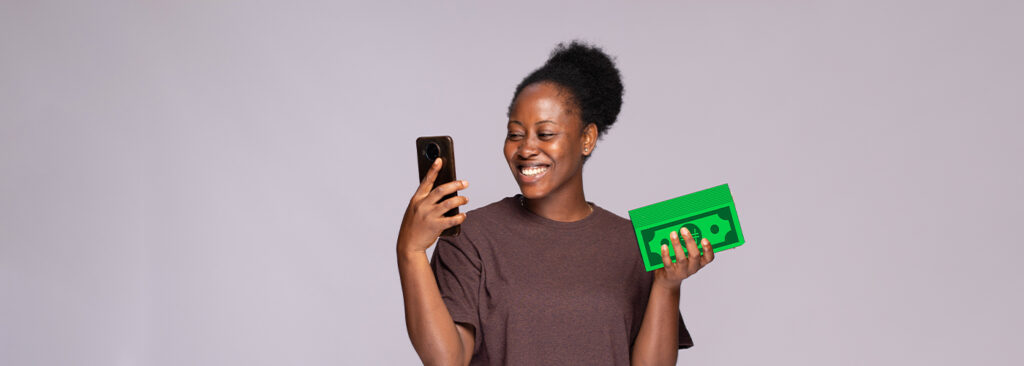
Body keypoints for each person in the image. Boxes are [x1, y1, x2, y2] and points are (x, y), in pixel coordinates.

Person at [397, 41, 715, 366]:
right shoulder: (469, 237)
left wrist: (667, 284)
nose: (526, 149)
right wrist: (410, 252)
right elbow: (447, 360)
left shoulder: (635, 242)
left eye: (545, 134)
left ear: (587, 138)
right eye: (515, 134)